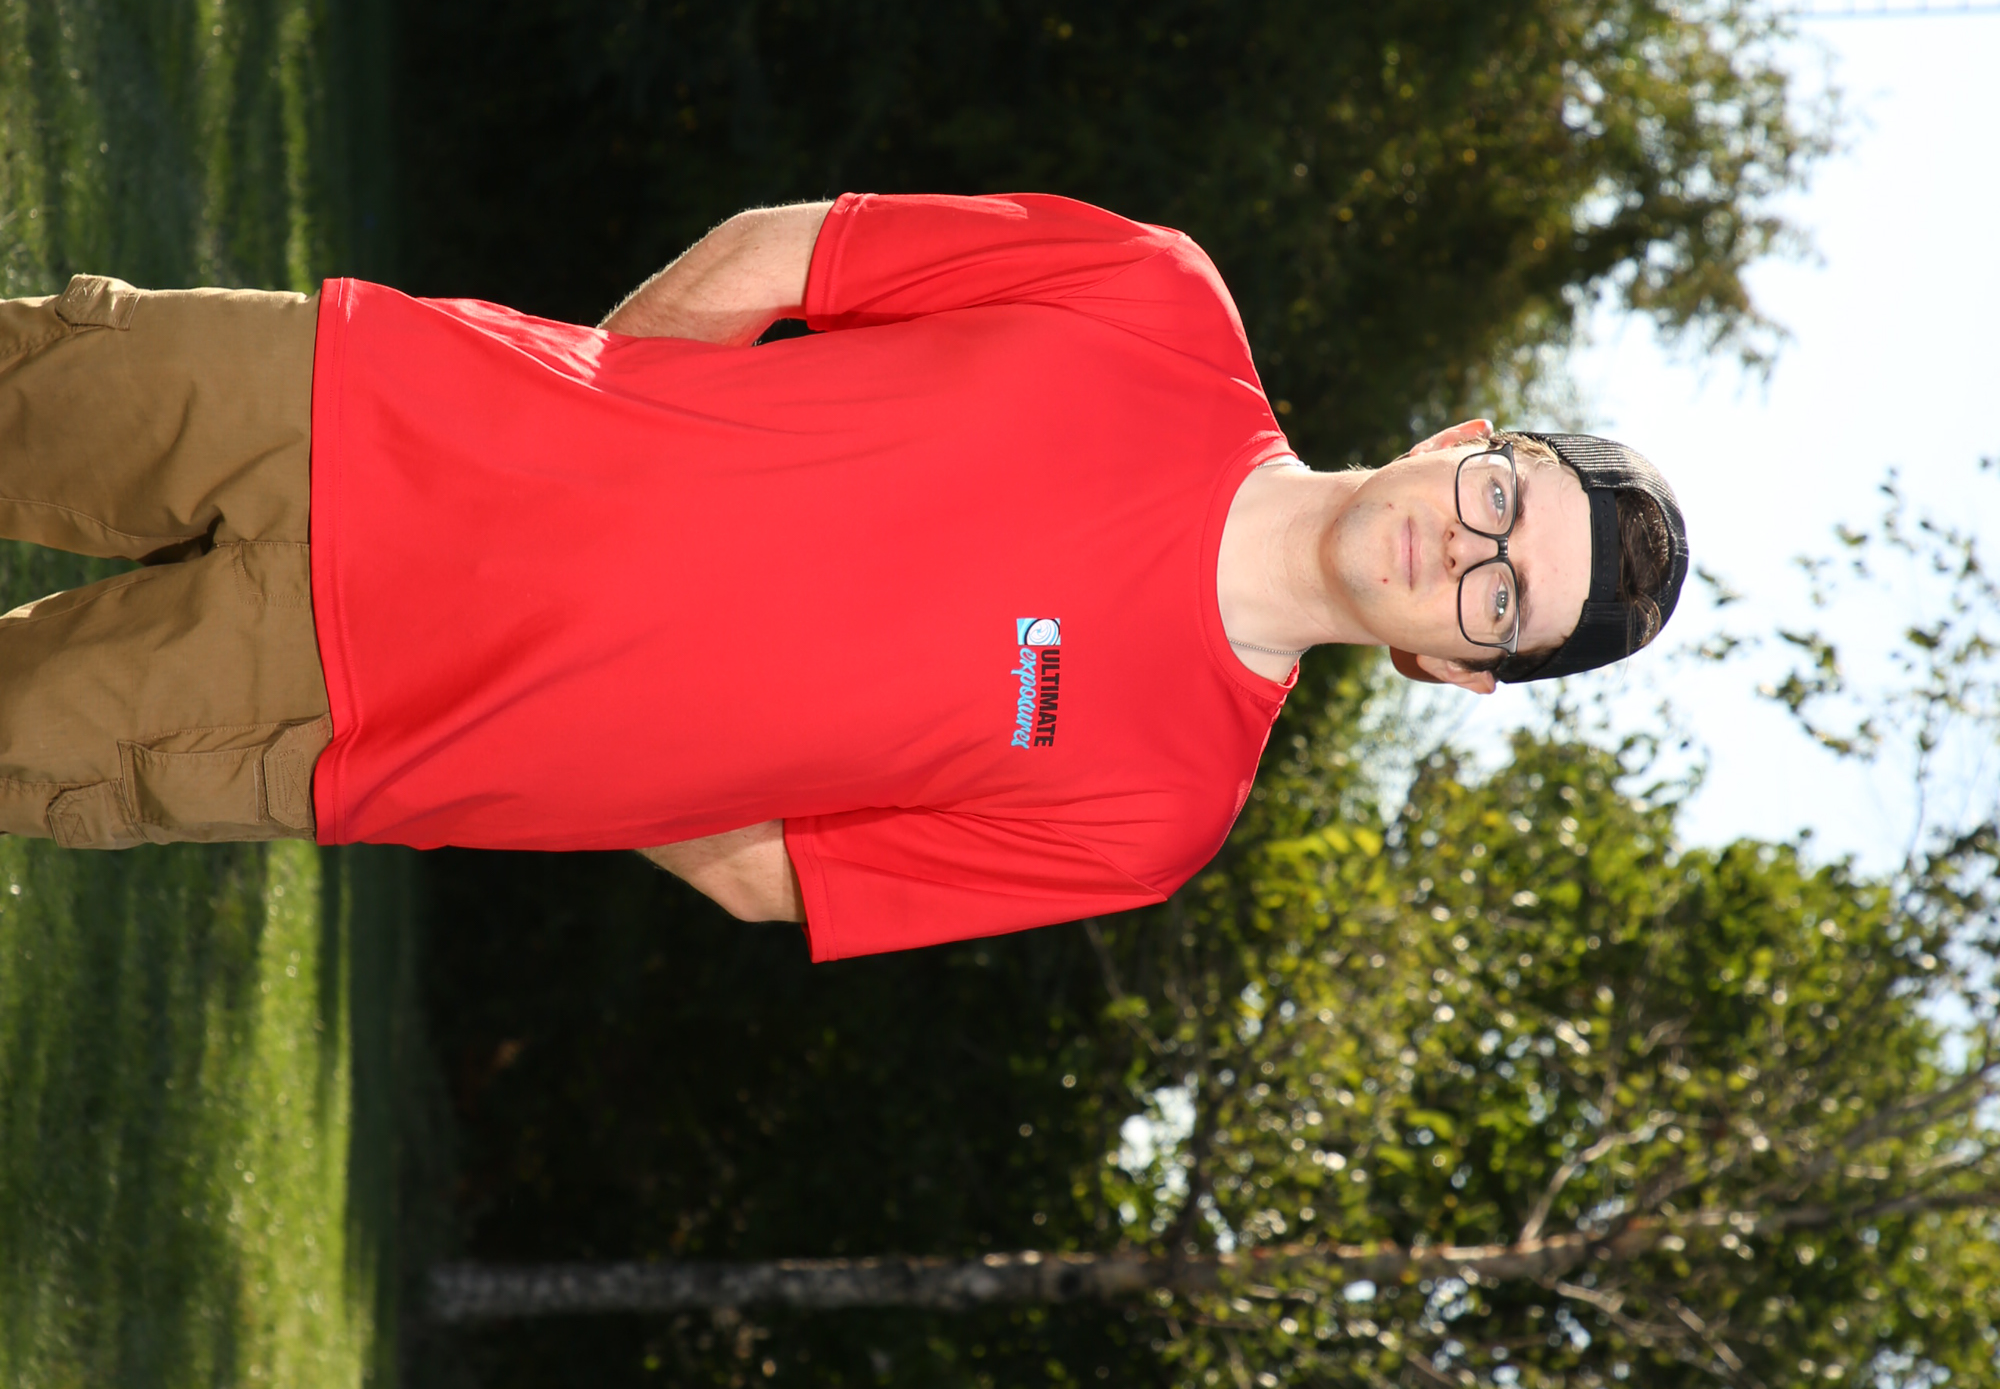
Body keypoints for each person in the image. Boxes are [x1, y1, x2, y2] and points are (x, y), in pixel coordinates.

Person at [0, 194, 1686, 958]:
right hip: (359, 403)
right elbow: (776, 256)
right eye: (1498, 500)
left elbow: (769, 878)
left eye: (1498, 599)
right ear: (1466, 437)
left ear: (1456, 670)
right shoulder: (1159, 301)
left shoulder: (1156, 815)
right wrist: (592, 436)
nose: (1461, 548)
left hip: (347, 717)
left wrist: (572, 728)